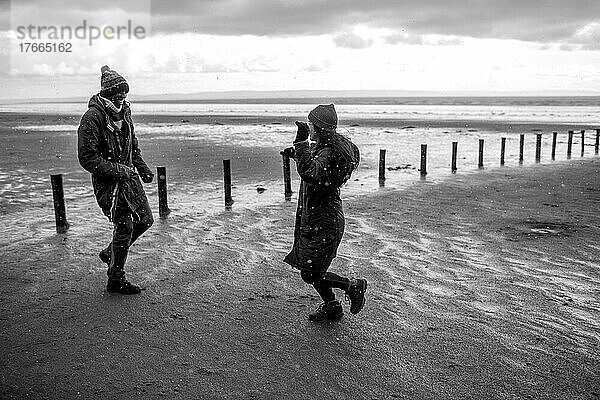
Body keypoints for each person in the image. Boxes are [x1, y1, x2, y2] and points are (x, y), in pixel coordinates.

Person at [283, 104, 368, 321]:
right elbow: (315, 164)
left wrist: (300, 142)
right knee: (309, 269)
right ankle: (332, 305)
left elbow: (312, 172)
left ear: (319, 127)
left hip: (325, 220)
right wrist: (296, 153)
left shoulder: (330, 151)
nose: (309, 128)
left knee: (311, 271)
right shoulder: (324, 147)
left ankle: (352, 286)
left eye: (311, 125)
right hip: (317, 218)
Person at [78, 65, 154, 295]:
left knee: (146, 220)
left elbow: (133, 145)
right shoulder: (92, 117)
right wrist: (121, 171)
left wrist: (142, 168)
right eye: (117, 93)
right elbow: (87, 158)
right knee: (125, 226)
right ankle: (116, 279)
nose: (122, 97)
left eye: (124, 93)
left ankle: (110, 253)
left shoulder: (126, 111)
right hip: (109, 184)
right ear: (106, 93)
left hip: (130, 179)